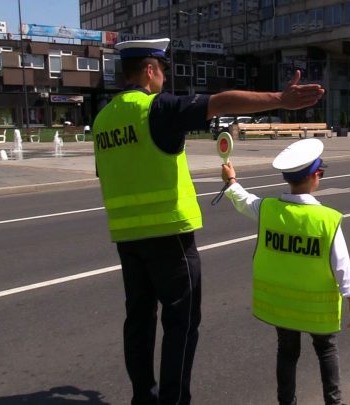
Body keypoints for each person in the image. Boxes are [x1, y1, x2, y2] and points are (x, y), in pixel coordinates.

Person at [92, 38, 324, 405]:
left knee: (137, 322)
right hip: (169, 235)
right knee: (181, 325)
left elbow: (108, 173)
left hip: (126, 237)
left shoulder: (103, 120)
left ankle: (143, 398)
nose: (164, 78)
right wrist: (280, 99)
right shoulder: (155, 108)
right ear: (150, 70)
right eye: (163, 70)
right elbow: (220, 101)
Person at [221, 139, 350, 405]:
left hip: (281, 308)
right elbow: (341, 264)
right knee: (326, 351)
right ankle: (334, 402)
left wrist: (231, 180)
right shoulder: (327, 219)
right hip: (317, 311)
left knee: (287, 354)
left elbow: (243, 200)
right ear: (315, 177)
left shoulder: (268, 210)